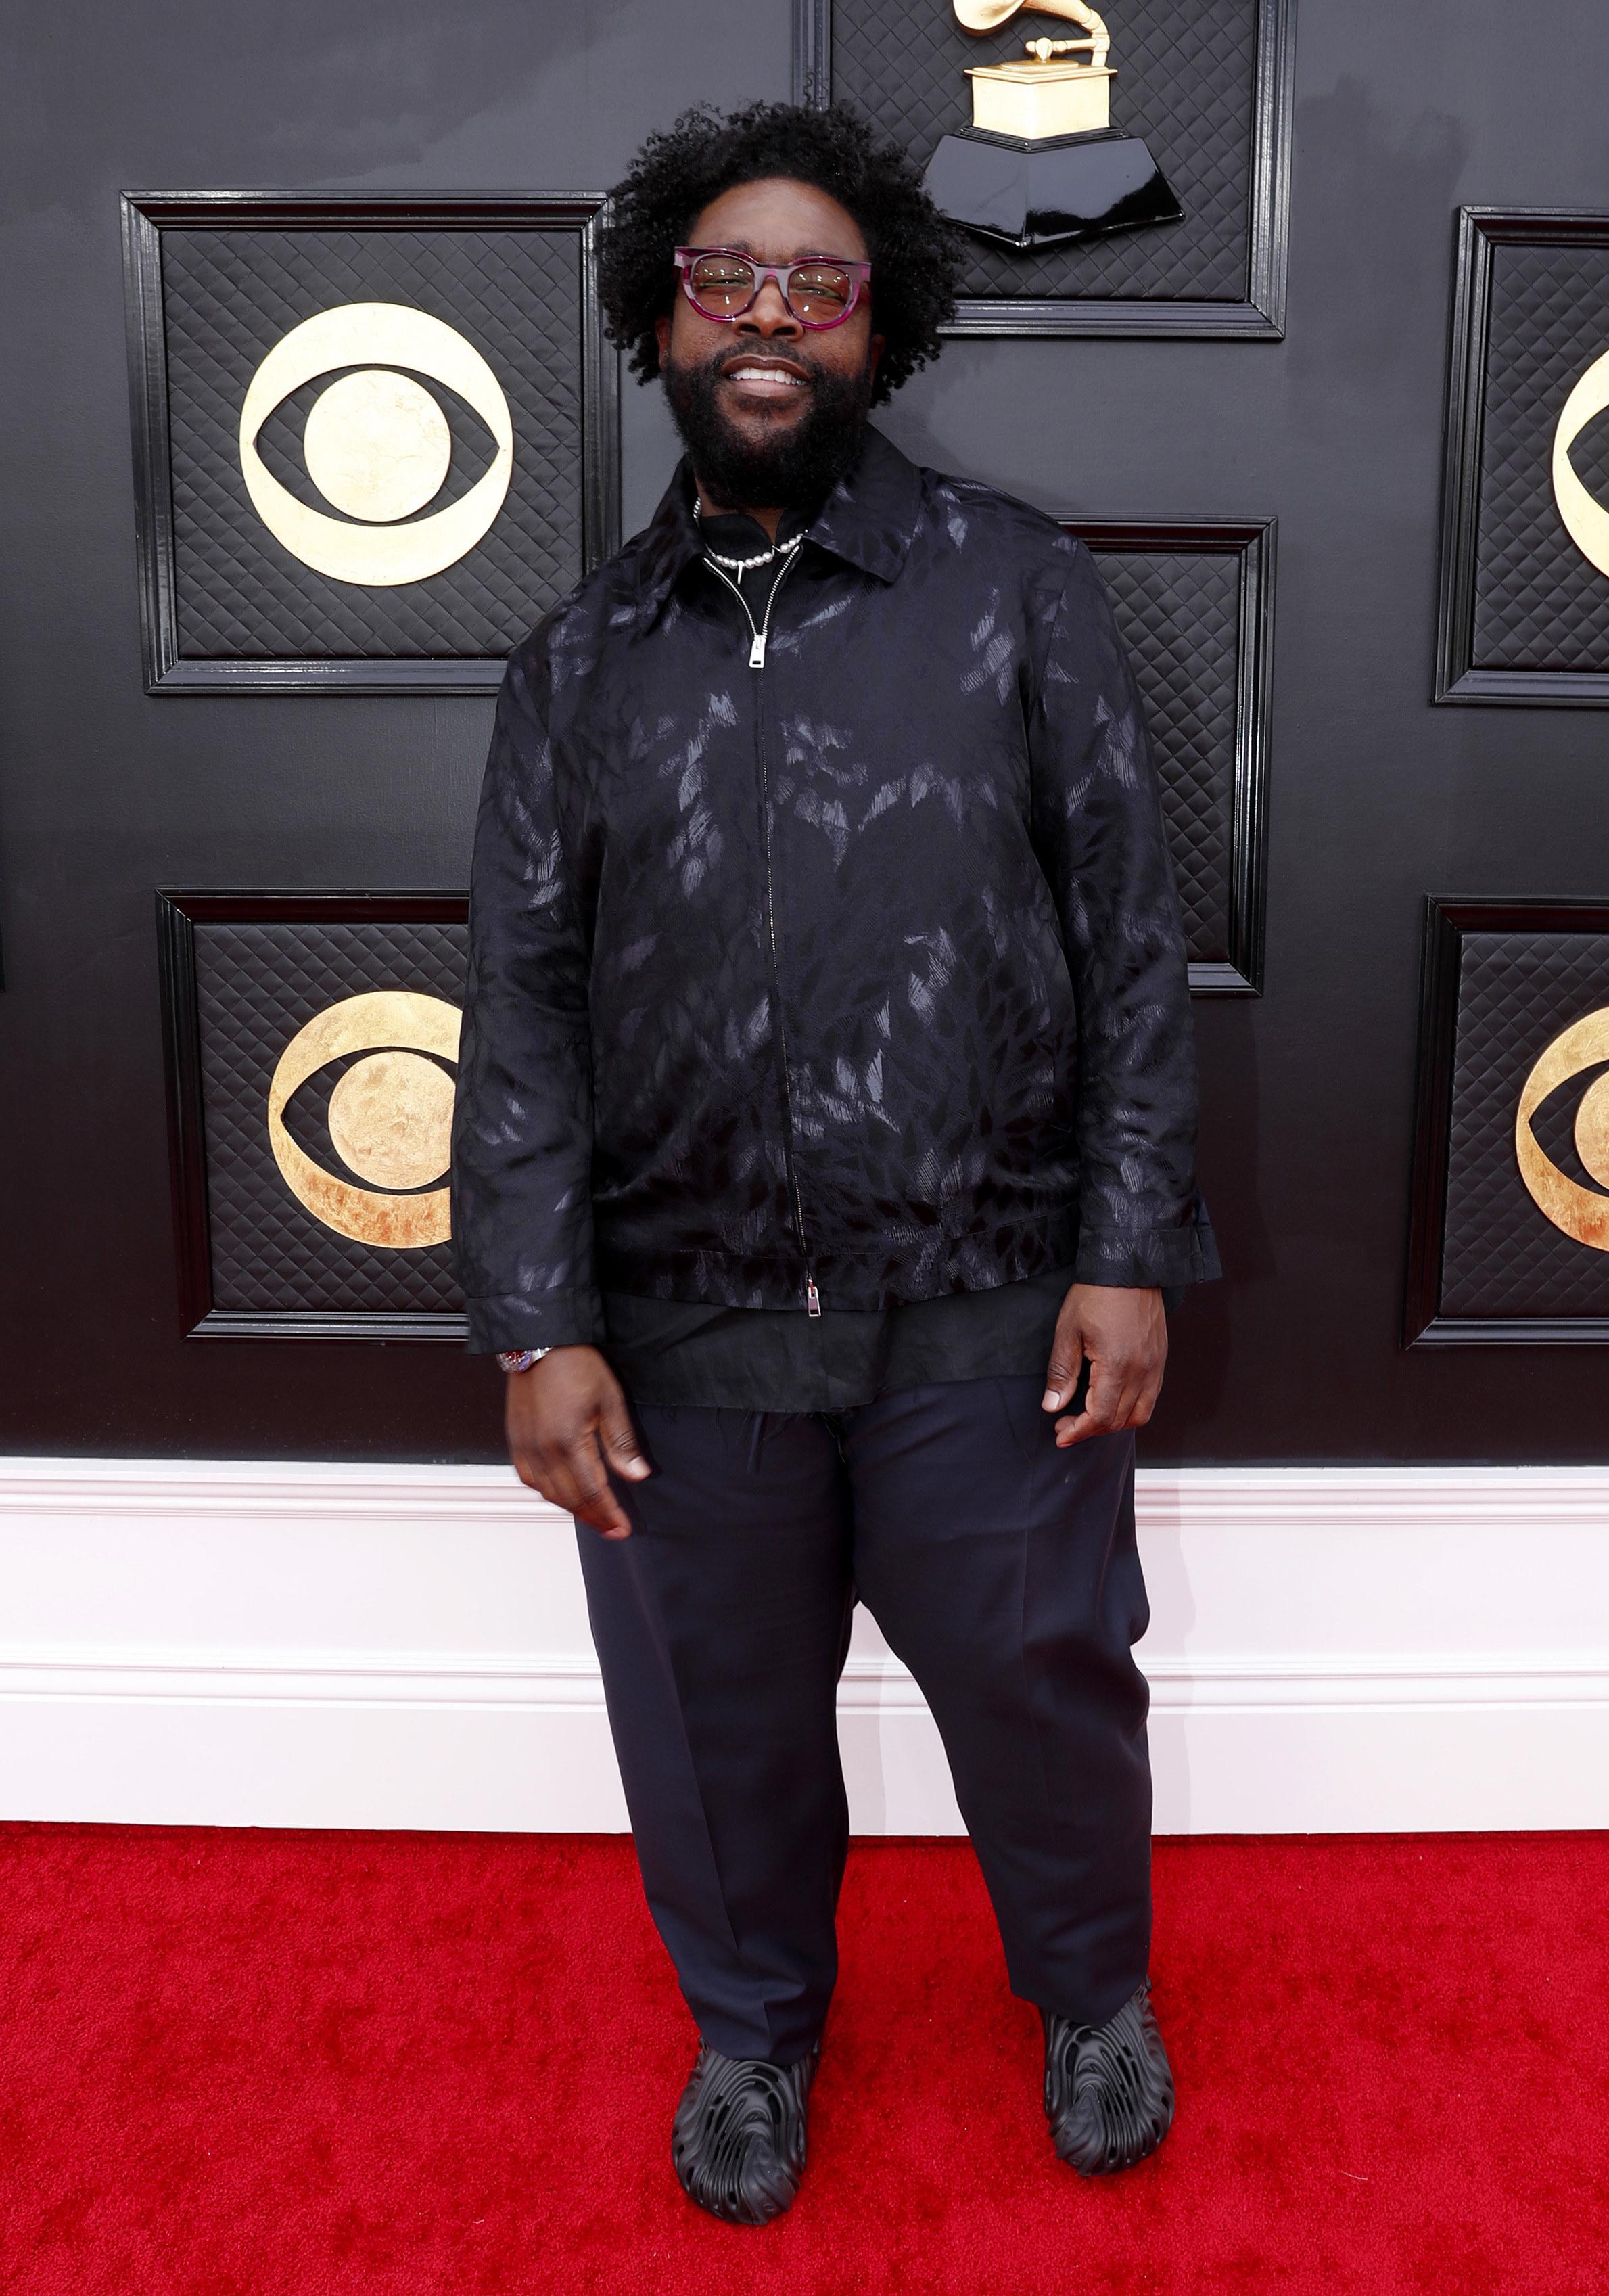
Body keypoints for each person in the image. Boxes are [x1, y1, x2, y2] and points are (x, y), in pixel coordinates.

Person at [451, 99, 1219, 2225]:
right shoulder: (579, 663)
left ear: (882, 326)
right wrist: (538, 1321)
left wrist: (1127, 1240)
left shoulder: (1013, 589)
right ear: (659, 319)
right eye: (726, 279)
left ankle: (1087, 1995)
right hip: (683, 1324)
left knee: (1041, 1692)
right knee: (717, 1727)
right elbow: (516, 999)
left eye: (817, 283)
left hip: (987, 1296)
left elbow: (1125, 927)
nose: (768, 314)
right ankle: (755, 2034)